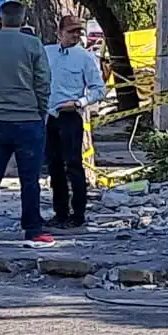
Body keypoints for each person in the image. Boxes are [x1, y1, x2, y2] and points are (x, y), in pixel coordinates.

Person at [0, 1, 54, 247]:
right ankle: (32, 230)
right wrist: (40, 112)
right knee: (29, 179)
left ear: (0, 19)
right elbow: (43, 83)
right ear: (24, 19)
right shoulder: (33, 45)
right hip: (27, 119)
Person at [44, 15, 105, 229]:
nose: (75, 35)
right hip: (48, 116)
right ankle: (60, 212)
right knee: (54, 166)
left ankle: (78, 214)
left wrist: (79, 102)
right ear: (59, 33)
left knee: (73, 165)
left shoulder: (85, 58)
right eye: (71, 32)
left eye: (78, 31)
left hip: (70, 115)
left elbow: (99, 89)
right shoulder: (46, 53)